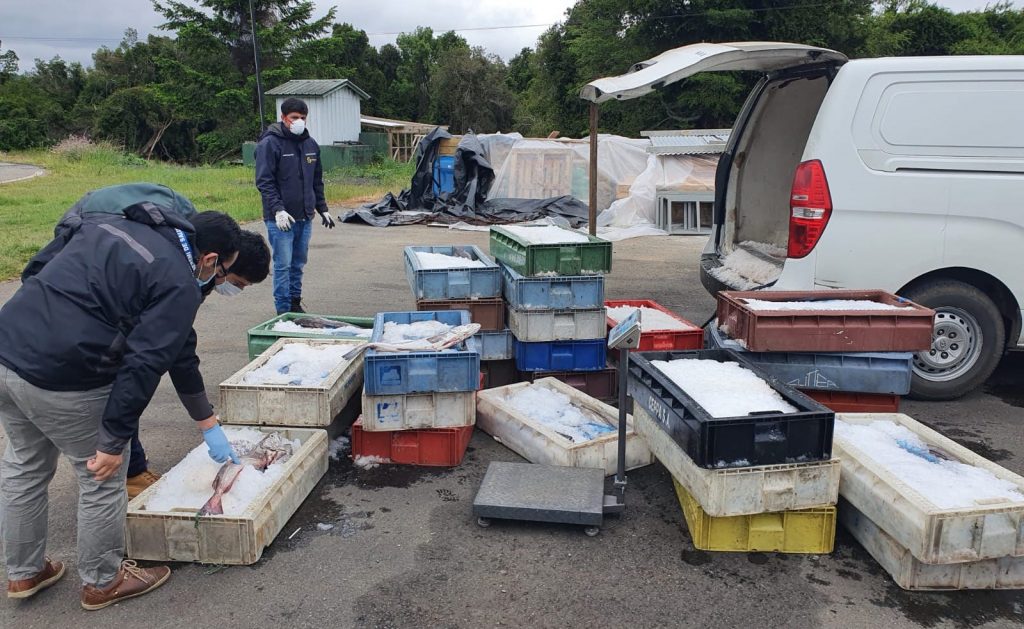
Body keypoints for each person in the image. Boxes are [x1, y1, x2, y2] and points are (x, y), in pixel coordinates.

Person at [0, 203, 242, 610]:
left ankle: (24, 572)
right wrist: (113, 440)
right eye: (218, 275)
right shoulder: (179, 281)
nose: (213, 282)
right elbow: (144, 363)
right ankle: (103, 581)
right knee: (99, 476)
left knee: (25, 467)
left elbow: (38, 265)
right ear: (210, 259)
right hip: (67, 376)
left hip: (8, 349)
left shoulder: (112, 226)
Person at [126, 230, 271, 498]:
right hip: (109, 335)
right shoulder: (179, 273)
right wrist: (206, 421)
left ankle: (128, 462)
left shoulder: (198, 273)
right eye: (237, 283)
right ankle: (128, 472)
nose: (236, 290)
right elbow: (180, 351)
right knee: (130, 386)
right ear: (219, 263)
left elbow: (179, 337)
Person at [255, 96, 335, 315]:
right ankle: (283, 311)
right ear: (283, 118)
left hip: (304, 217)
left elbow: (316, 181)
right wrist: (278, 209)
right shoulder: (270, 144)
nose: (299, 121)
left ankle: (295, 303)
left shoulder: (311, 145)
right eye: (294, 117)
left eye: (302, 117)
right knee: (283, 266)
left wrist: (323, 208)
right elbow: (264, 181)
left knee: (298, 263)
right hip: (280, 219)